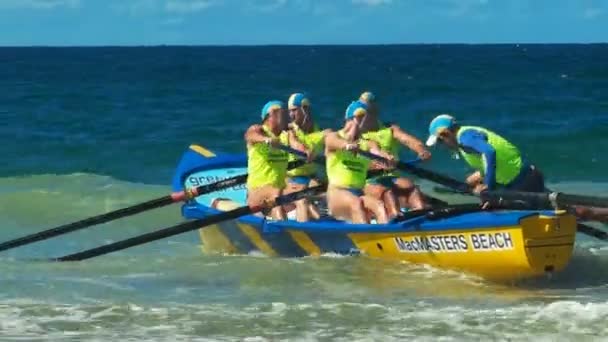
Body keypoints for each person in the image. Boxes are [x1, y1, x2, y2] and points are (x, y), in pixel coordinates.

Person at [424, 114, 545, 194]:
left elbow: (489, 152)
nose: (442, 145)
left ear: (446, 134)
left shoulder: (465, 137)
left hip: (525, 181)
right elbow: (489, 161)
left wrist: (488, 186)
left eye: (440, 141)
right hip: (525, 178)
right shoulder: (465, 138)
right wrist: (478, 178)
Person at [357, 91, 431, 213]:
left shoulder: (390, 129)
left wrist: (421, 150)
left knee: (411, 188)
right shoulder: (353, 135)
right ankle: (395, 219)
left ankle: (422, 218)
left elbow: (408, 140)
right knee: (386, 192)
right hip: (365, 180)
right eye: (361, 114)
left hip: (391, 176)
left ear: (375, 111)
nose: (363, 117)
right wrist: (372, 166)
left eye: (368, 112)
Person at [324, 100, 397, 224]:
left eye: (364, 117)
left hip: (358, 193)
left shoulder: (368, 144)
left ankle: (385, 237)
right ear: (349, 119)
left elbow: (377, 152)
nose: (362, 121)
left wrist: (388, 159)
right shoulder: (333, 136)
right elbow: (335, 143)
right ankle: (367, 237)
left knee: (379, 205)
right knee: (356, 203)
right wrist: (347, 145)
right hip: (337, 194)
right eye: (359, 117)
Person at [243, 100, 312, 221]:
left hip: (278, 190)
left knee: (302, 196)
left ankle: (306, 233)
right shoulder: (259, 130)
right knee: (276, 196)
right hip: (256, 192)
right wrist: (266, 140)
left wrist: (307, 151)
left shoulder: (287, 135)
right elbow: (250, 136)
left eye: (284, 112)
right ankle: (284, 234)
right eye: (278, 112)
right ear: (267, 117)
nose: (285, 115)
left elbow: (296, 145)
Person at [283, 92, 328, 221]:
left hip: (311, 180)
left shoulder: (319, 131)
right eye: (290, 111)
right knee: (304, 196)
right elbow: (296, 145)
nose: (291, 115)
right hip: (291, 181)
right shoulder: (288, 130)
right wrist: (306, 150)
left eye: (294, 110)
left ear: (305, 109)